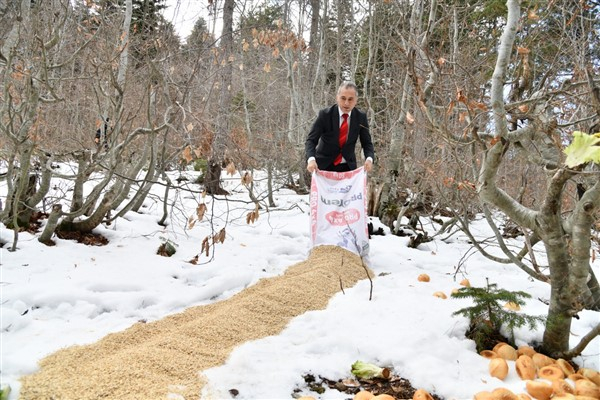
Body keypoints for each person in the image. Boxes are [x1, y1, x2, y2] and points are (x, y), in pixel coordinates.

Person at [305, 81, 375, 173]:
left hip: (348, 168)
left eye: (350, 99)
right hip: (323, 166)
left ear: (356, 100)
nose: (346, 103)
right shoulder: (325, 115)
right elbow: (311, 141)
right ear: (337, 98)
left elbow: (367, 143)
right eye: (343, 98)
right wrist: (311, 160)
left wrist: (369, 159)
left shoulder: (360, 117)